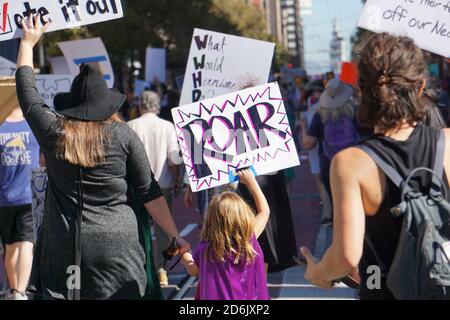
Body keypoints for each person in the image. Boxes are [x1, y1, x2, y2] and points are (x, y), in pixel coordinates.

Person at [15, 15, 189, 300]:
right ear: (108, 104)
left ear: (72, 105)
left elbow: (28, 96)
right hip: (119, 248)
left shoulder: (54, 132)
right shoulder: (123, 135)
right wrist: (174, 235)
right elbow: (149, 192)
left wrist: (28, 43)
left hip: (65, 248)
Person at [300, 33, 450, 300]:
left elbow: (346, 258)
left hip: (381, 291)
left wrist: (319, 272)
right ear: (419, 88)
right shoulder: (446, 143)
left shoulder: (351, 163)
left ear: (360, 91)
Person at [181, 169, 270, 300]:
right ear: (244, 216)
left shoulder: (205, 250)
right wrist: (251, 181)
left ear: (210, 220)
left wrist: (185, 255)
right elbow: (264, 211)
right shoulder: (249, 242)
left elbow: (193, 270)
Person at [128, 90, 182, 286]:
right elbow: (174, 158)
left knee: (139, 228)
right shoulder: (167, 127)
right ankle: (162, 270)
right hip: (162, 183)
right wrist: (177, 179)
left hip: (136, 186)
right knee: (164, 229)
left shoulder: (130, 126)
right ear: (157, 105)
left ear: (140, 105)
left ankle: (142, 267)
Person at [0, 105, 40, 300]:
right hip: (27, 194)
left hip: (4, 198)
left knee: (10, 246)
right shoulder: (32, 125)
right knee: (26, 243)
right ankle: (20, 292)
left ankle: (14, 290)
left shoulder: (1, 126)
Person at [301, 78, 359, 205]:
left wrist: (304, 127)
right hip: (354, 161)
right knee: (356, 200)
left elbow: (309, 144)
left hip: (330, 164)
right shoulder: (354, 111)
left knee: (336, 203)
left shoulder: (320, 114)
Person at [301, 85, 333, 226]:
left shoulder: (315, 111)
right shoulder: (350, 108)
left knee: (322, 183)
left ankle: (328, 215)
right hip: (346, 153)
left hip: (323, 154)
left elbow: (308, 142)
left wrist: (303, 127)